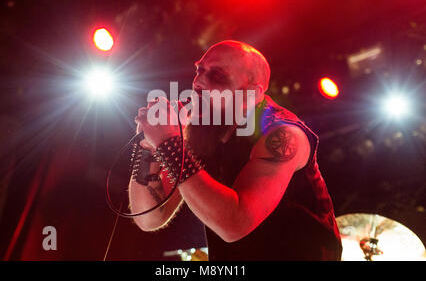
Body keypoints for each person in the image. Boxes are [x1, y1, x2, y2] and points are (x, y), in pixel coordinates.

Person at [130, 40, 343, 260]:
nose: (199, 82)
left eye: (217, 76)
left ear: (251, 92)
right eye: (199, 70)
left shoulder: (283, 134)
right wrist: (149, 148)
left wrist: (168, 143)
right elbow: (150, 218)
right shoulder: (200, 128)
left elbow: (234, 224)